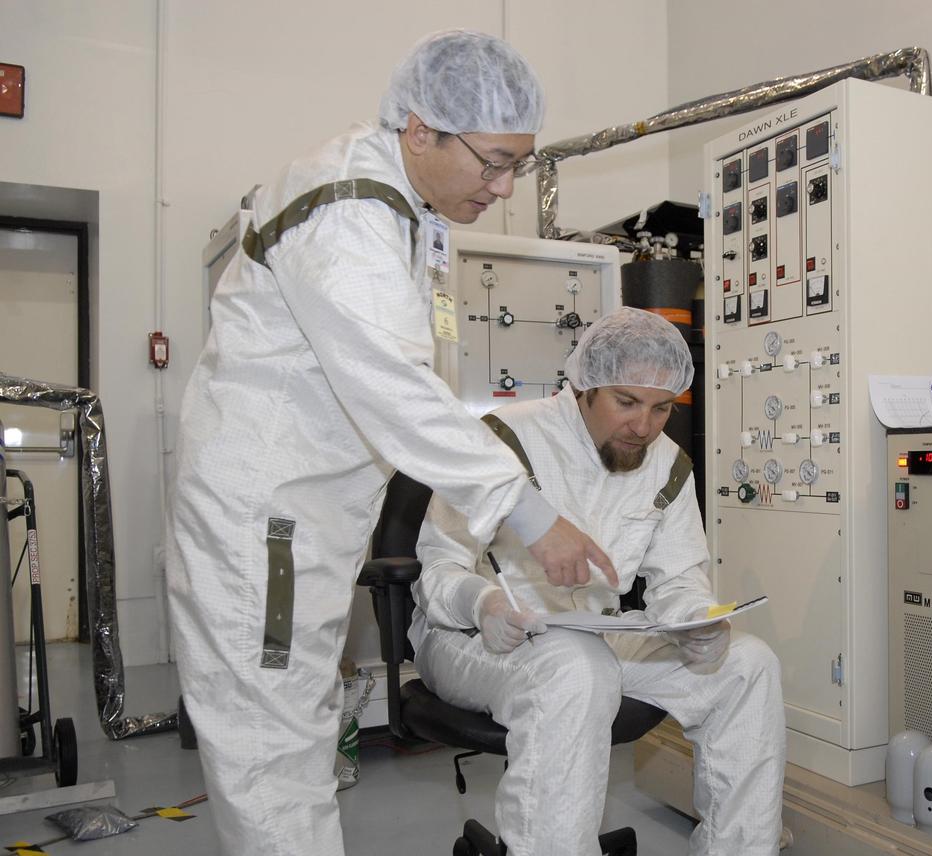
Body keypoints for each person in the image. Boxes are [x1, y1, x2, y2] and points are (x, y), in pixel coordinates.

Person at [166, 30, 614, 856]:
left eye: (519, 163)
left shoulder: (396, 208)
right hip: (267, 526)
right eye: (491, 162)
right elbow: (398, 390)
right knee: (273, 753)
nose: (505, 185)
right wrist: (527, 513)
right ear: (420, 130)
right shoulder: (348, 214)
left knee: (296, 732)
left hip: (298, 525)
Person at [410, 307, 786, 856]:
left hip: (594, 631)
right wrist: (483, 602)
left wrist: (693, 620)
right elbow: (438, 571)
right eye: (627, 403)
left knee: (748, 666)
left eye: (662, 408)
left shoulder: (667, 463)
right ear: (583, 386)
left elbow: (679, 576)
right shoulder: (503, 439)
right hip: (472, 635)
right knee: (576, 670)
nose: (644, 426)